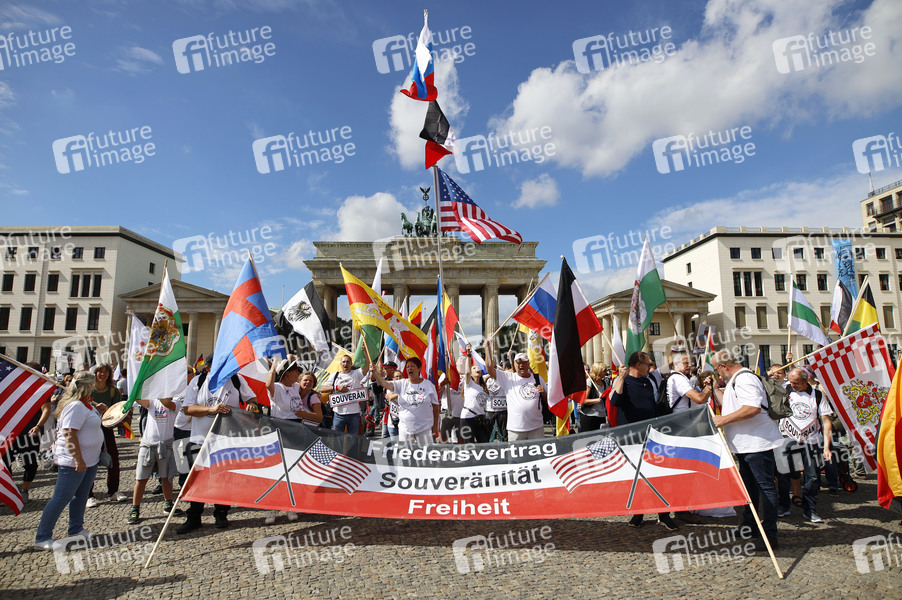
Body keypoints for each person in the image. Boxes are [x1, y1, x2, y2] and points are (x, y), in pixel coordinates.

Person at [712, 350, 784, 550]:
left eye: (717, 370)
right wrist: (715, 389)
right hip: (745, 445)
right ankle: (750, 525)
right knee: (750, 488)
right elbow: (731, 404)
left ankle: (769, 535)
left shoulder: (744, 379)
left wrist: (723, 420)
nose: (718, 374)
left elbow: (752, 408)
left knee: (766, 487)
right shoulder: (736, 380)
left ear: (724, 366)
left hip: (756, 444)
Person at [177, 372, 255, 533]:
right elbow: (188, 409)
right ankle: (194, 517)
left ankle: (221, 513)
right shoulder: (197, 381)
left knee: (223, 479)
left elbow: (251, 398)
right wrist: (211, 409)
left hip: (225, 440)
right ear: (208, 368)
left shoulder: (236, 379)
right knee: (196, 480)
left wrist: (252, 404)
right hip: (199, 440)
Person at [609, 351, 679, 531]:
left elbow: (652, 406)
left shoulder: (648, 382)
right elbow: (615, 401)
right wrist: (621, 377)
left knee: (658, 475)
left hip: (651, 436)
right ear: (637, 365)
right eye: (648, 364)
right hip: (631, 438)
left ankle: (664, 514)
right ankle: (638, 513)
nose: (650, 367)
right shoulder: (623, 381)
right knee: (637, 477)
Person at [34, 371, 103, 550]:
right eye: (93, 384)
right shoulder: (75, 406)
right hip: (73, 461)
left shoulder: (86, 405)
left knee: (81, 495)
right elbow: (69, 434)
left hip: (90, 459)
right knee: (61, 497)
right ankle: (42, 536)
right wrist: (78, 459)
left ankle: (76, 528)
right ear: (88, 386)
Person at [263, 359, 321, 525]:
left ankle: (290, 505)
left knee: (292, 468)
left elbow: (307, 387)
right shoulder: (277, 388)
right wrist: (274, 366)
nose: (299, 372)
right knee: (278, 469)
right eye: (296, 370)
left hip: (296, 428)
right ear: (287, 373)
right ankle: (272, 507)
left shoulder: (295, 386)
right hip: (280, 428)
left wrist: (315, 393)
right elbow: (268, 385)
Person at [776, 368, 833, 523]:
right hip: (786, 438)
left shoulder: (817, 395)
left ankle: (810, 509)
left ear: (805, 381)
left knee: (812, 477)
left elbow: (826, 421)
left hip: (810, 441)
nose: (792, 385)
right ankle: (783, 506)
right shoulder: (785, 389)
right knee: (783, 475)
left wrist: (826, 447)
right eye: (791, 382)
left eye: (796, 383)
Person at [127, 389, 181, 525]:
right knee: (141, 478)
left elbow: (168, 404)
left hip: (166, 445)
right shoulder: (152, 401)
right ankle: (135, 509)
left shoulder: (176, 402)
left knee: (166, 477)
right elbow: (137, 398)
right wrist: (137, 386)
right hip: (148, 445)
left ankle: (168, 504)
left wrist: (158, 391)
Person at [485, 339, 547, 441]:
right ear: (514, 364)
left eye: (524, 362)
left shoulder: (538, 378)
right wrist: (487, 349)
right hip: (515, 429)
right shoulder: (508, 377)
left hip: (536, 427)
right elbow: (489, 369)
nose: (521, 365)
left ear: (528, 363)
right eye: (518, 362)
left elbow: (546, 399)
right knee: (514, 452)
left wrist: (543, 393)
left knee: (538, 452)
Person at [370, 357, 439, 445]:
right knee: (404, 453)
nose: (410, 368)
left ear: (419, 368)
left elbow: (436, 407)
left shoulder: (428, 385)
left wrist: (435, 427)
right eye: (408, 367)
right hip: (405, 429)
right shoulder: (402, 383)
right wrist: (375, 372)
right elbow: (385, 383)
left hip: (424, 429)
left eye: (413, 366)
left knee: (424, 452)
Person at [87, 364, 128, 506]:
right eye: (100, 372)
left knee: (114, 459)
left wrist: (108, 411)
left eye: (106, 372)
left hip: (106, 428)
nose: (102, 374)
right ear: (95, 373)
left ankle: (113, 491)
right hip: (89, 429)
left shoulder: (113, 391)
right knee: (90, 460)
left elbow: (116, 411)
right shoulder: (89, 390)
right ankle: (88, 494)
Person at [320, 354, 369, 435]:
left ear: (351, 364)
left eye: (348, 362)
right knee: (337, 438)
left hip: (354, 413)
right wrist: (336, 387)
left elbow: (367, 366)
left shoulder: (356, 373)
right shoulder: (335, 375)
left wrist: (365, 352)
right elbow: (322, 389)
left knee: (353, 438)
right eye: (343, 362)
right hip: (338, 414)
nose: (345, 364)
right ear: (340, 363)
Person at [460, 365, 490, 443]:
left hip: (481, 418)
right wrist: (468, 358)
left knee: (484, 443)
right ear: (471, 373)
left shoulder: (483, 387)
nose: (477, 369)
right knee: (469, 444)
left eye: (478, 368)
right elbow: (467, 372)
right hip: (468, 418)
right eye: (474, 368)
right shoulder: (469, 384)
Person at [580, 362, 610, 431]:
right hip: (590, 416)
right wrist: (598, 400)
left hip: (601, 416)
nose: (606, 372)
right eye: (604, 370)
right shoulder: (589, 382)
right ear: (598, 371)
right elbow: (584, 400)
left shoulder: (604, 383)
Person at [382, 370, 404, 440]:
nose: (398, 378)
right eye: (396, 376)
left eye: (400, 376)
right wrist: (401, 392)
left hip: (404, 423)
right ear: (393, 378)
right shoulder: (390, 387)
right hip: (393, 423)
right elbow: (390, 397)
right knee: (395, 444)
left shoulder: (406, 387)